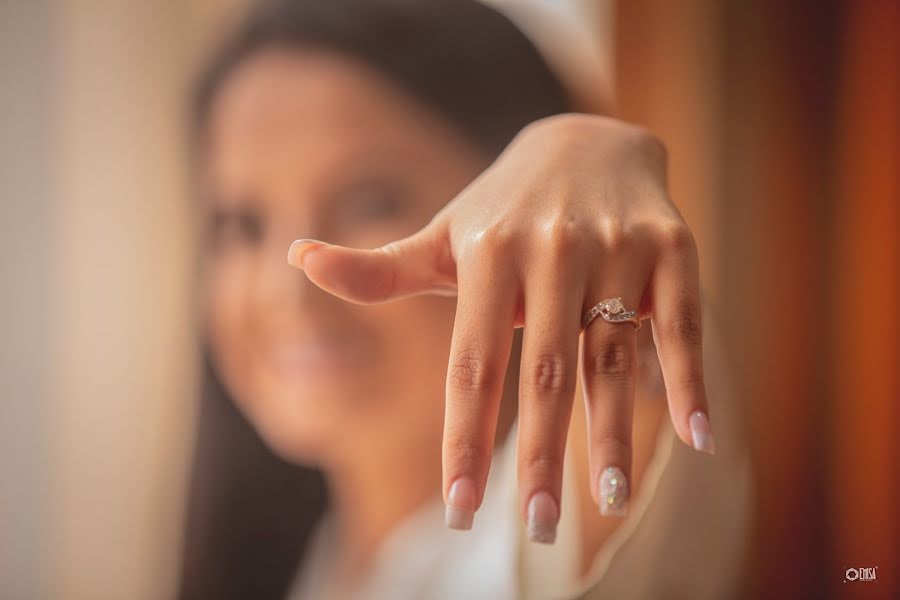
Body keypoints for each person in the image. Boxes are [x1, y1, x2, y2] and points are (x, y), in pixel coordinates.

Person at [179, 1, 752, 598]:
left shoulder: (554, 538)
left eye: (370, 202)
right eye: (241, 225)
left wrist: (586, 152)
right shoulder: (293, 562)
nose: (286, 289)